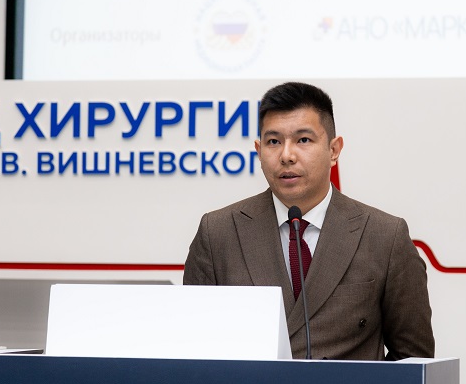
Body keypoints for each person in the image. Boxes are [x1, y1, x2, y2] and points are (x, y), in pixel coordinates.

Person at [183, 82, 434, 360]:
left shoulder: (384, 236)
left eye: (303, 140)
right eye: (273, 142)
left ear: (334, 150)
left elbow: (413, 361)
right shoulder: (218, 233)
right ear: (258, 150)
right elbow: (192, 352)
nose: (286, 156)